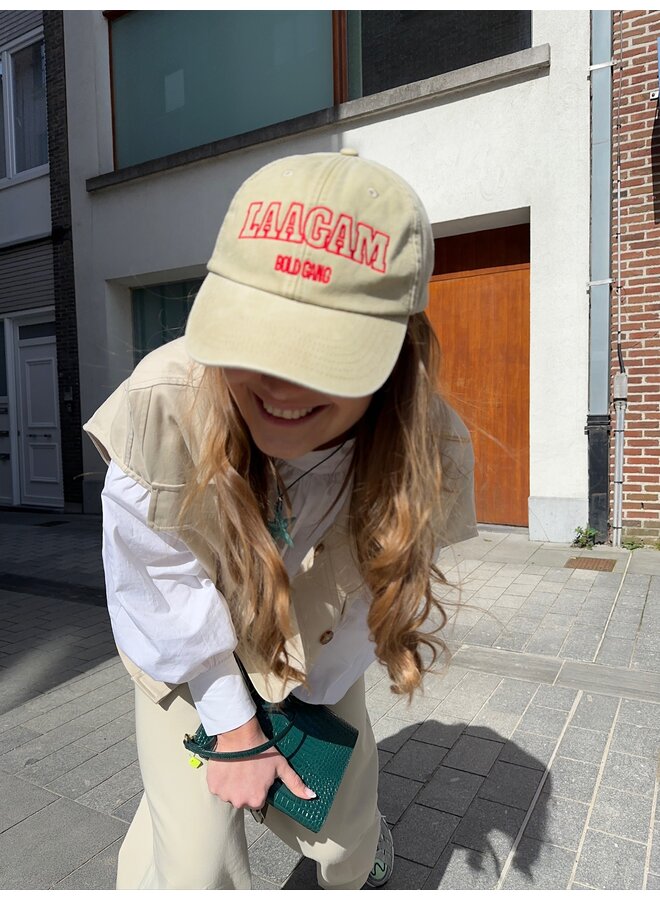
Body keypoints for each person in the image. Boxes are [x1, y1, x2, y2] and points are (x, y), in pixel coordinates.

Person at [84, 149, 477, 890]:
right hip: (186, 646)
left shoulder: (434, 450)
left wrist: (291, 715)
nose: (280, 384)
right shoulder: (159, 408)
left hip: (319, 658)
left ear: (398, 352)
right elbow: (160, 585)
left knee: (342, 849)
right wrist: (232, 726)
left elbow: (363, 612)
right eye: (255, 333)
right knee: (192, 871)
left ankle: (220, 795)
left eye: (326, 351)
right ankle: (180, 790)